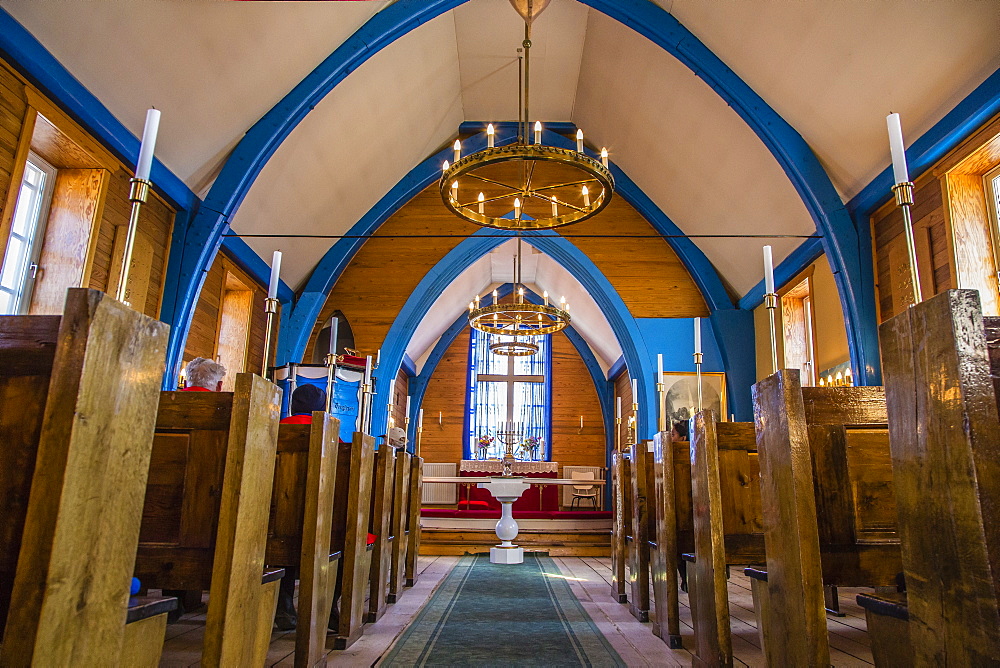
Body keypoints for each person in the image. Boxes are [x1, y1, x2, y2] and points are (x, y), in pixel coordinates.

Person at [165, 358, 226, 623]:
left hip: (164, 495)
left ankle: (172, 596)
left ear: (186, 380)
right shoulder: (228, 408)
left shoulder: (165, 403)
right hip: (214, 498)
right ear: (220, 385)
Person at [273, 384, 328, 631]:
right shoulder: (328, 432)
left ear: (292, 405)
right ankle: (327, 608)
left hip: (272, 512)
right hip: (315, 513)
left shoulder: (275, 427)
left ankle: (283, 604)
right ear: (322, 408)